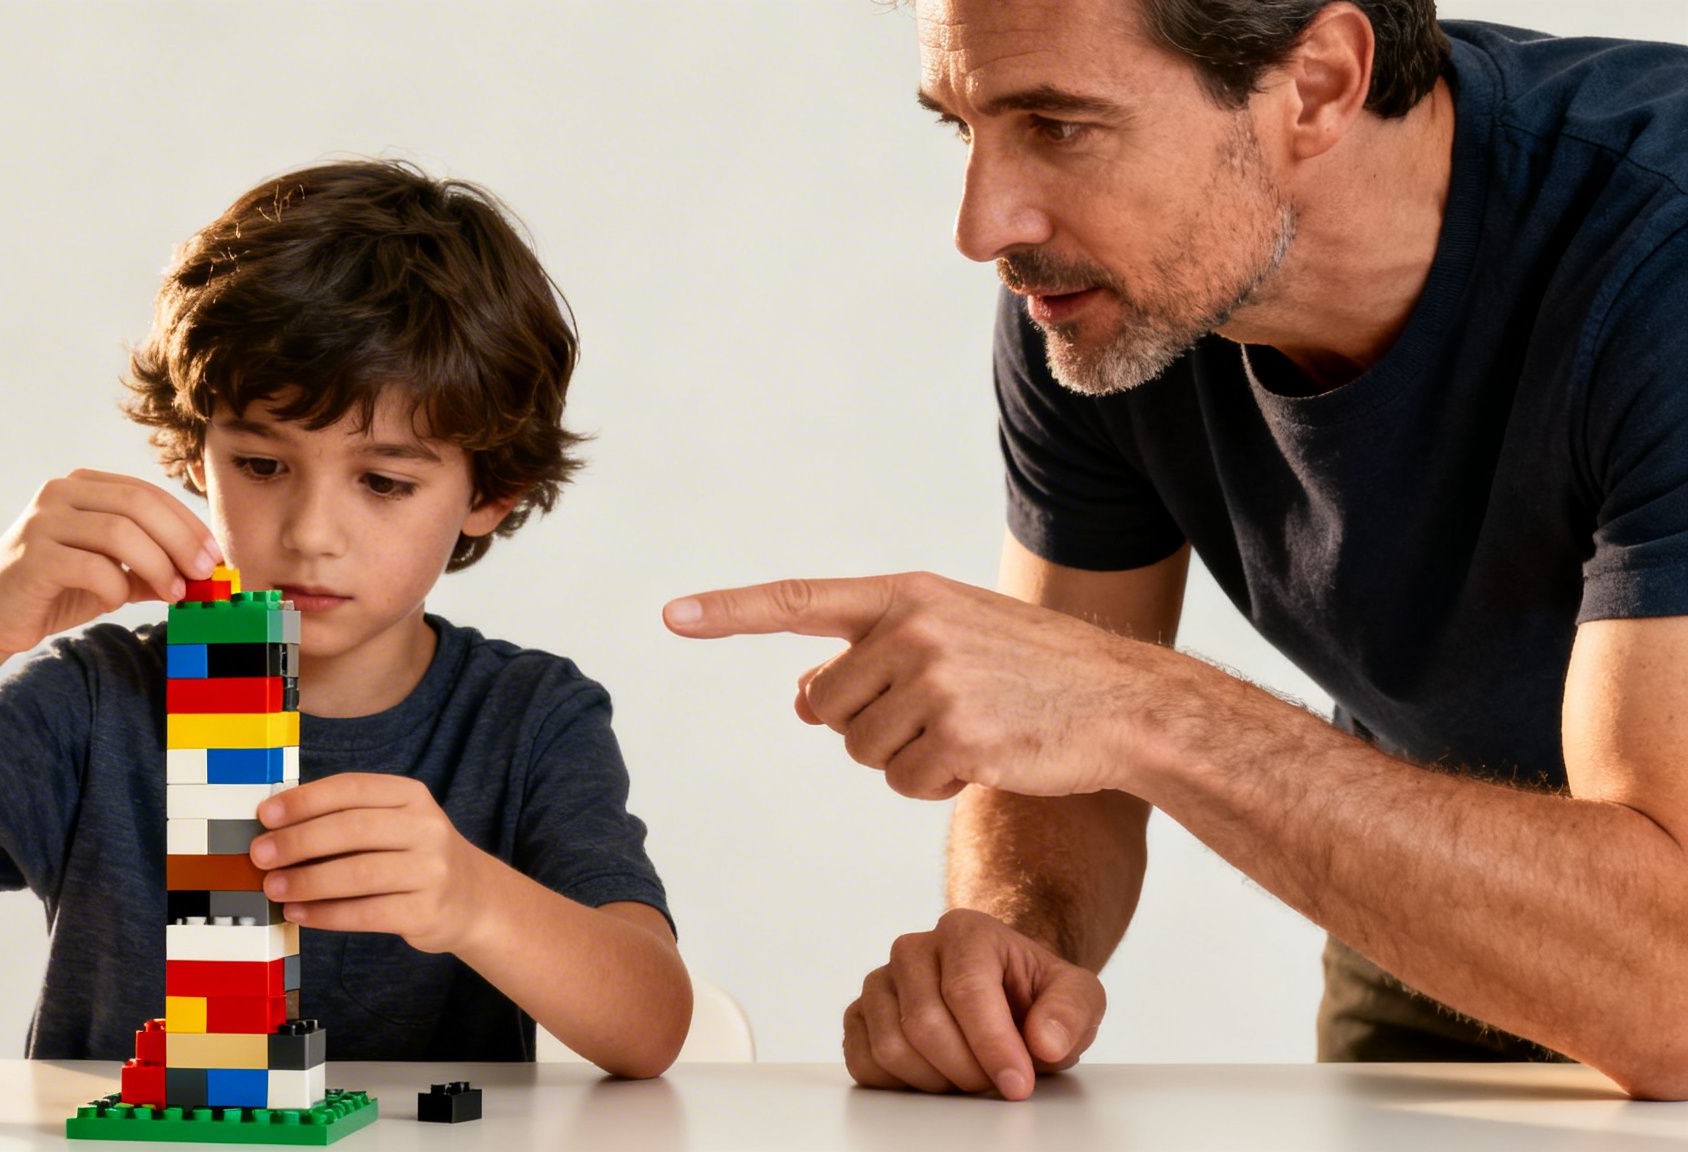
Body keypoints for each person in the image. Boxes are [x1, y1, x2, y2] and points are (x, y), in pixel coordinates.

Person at [666, 0, 1688, 1101]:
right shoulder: (1103, 301)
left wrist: (1147, 711)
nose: (982, 225)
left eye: (1054, 125)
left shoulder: (1658, 262)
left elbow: (1669, 994)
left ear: (1318, 82)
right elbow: (1058, 730)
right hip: (1437, 927)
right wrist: (1010, 942)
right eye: (962, 128)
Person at [0, 160, 691, 1077]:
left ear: (492, 492)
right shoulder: (100, 699)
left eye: (384, 481)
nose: (311, 534)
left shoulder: (527, 718)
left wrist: (475, 900)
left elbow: (648, 1029)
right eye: (262, 466)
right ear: (193, 451)